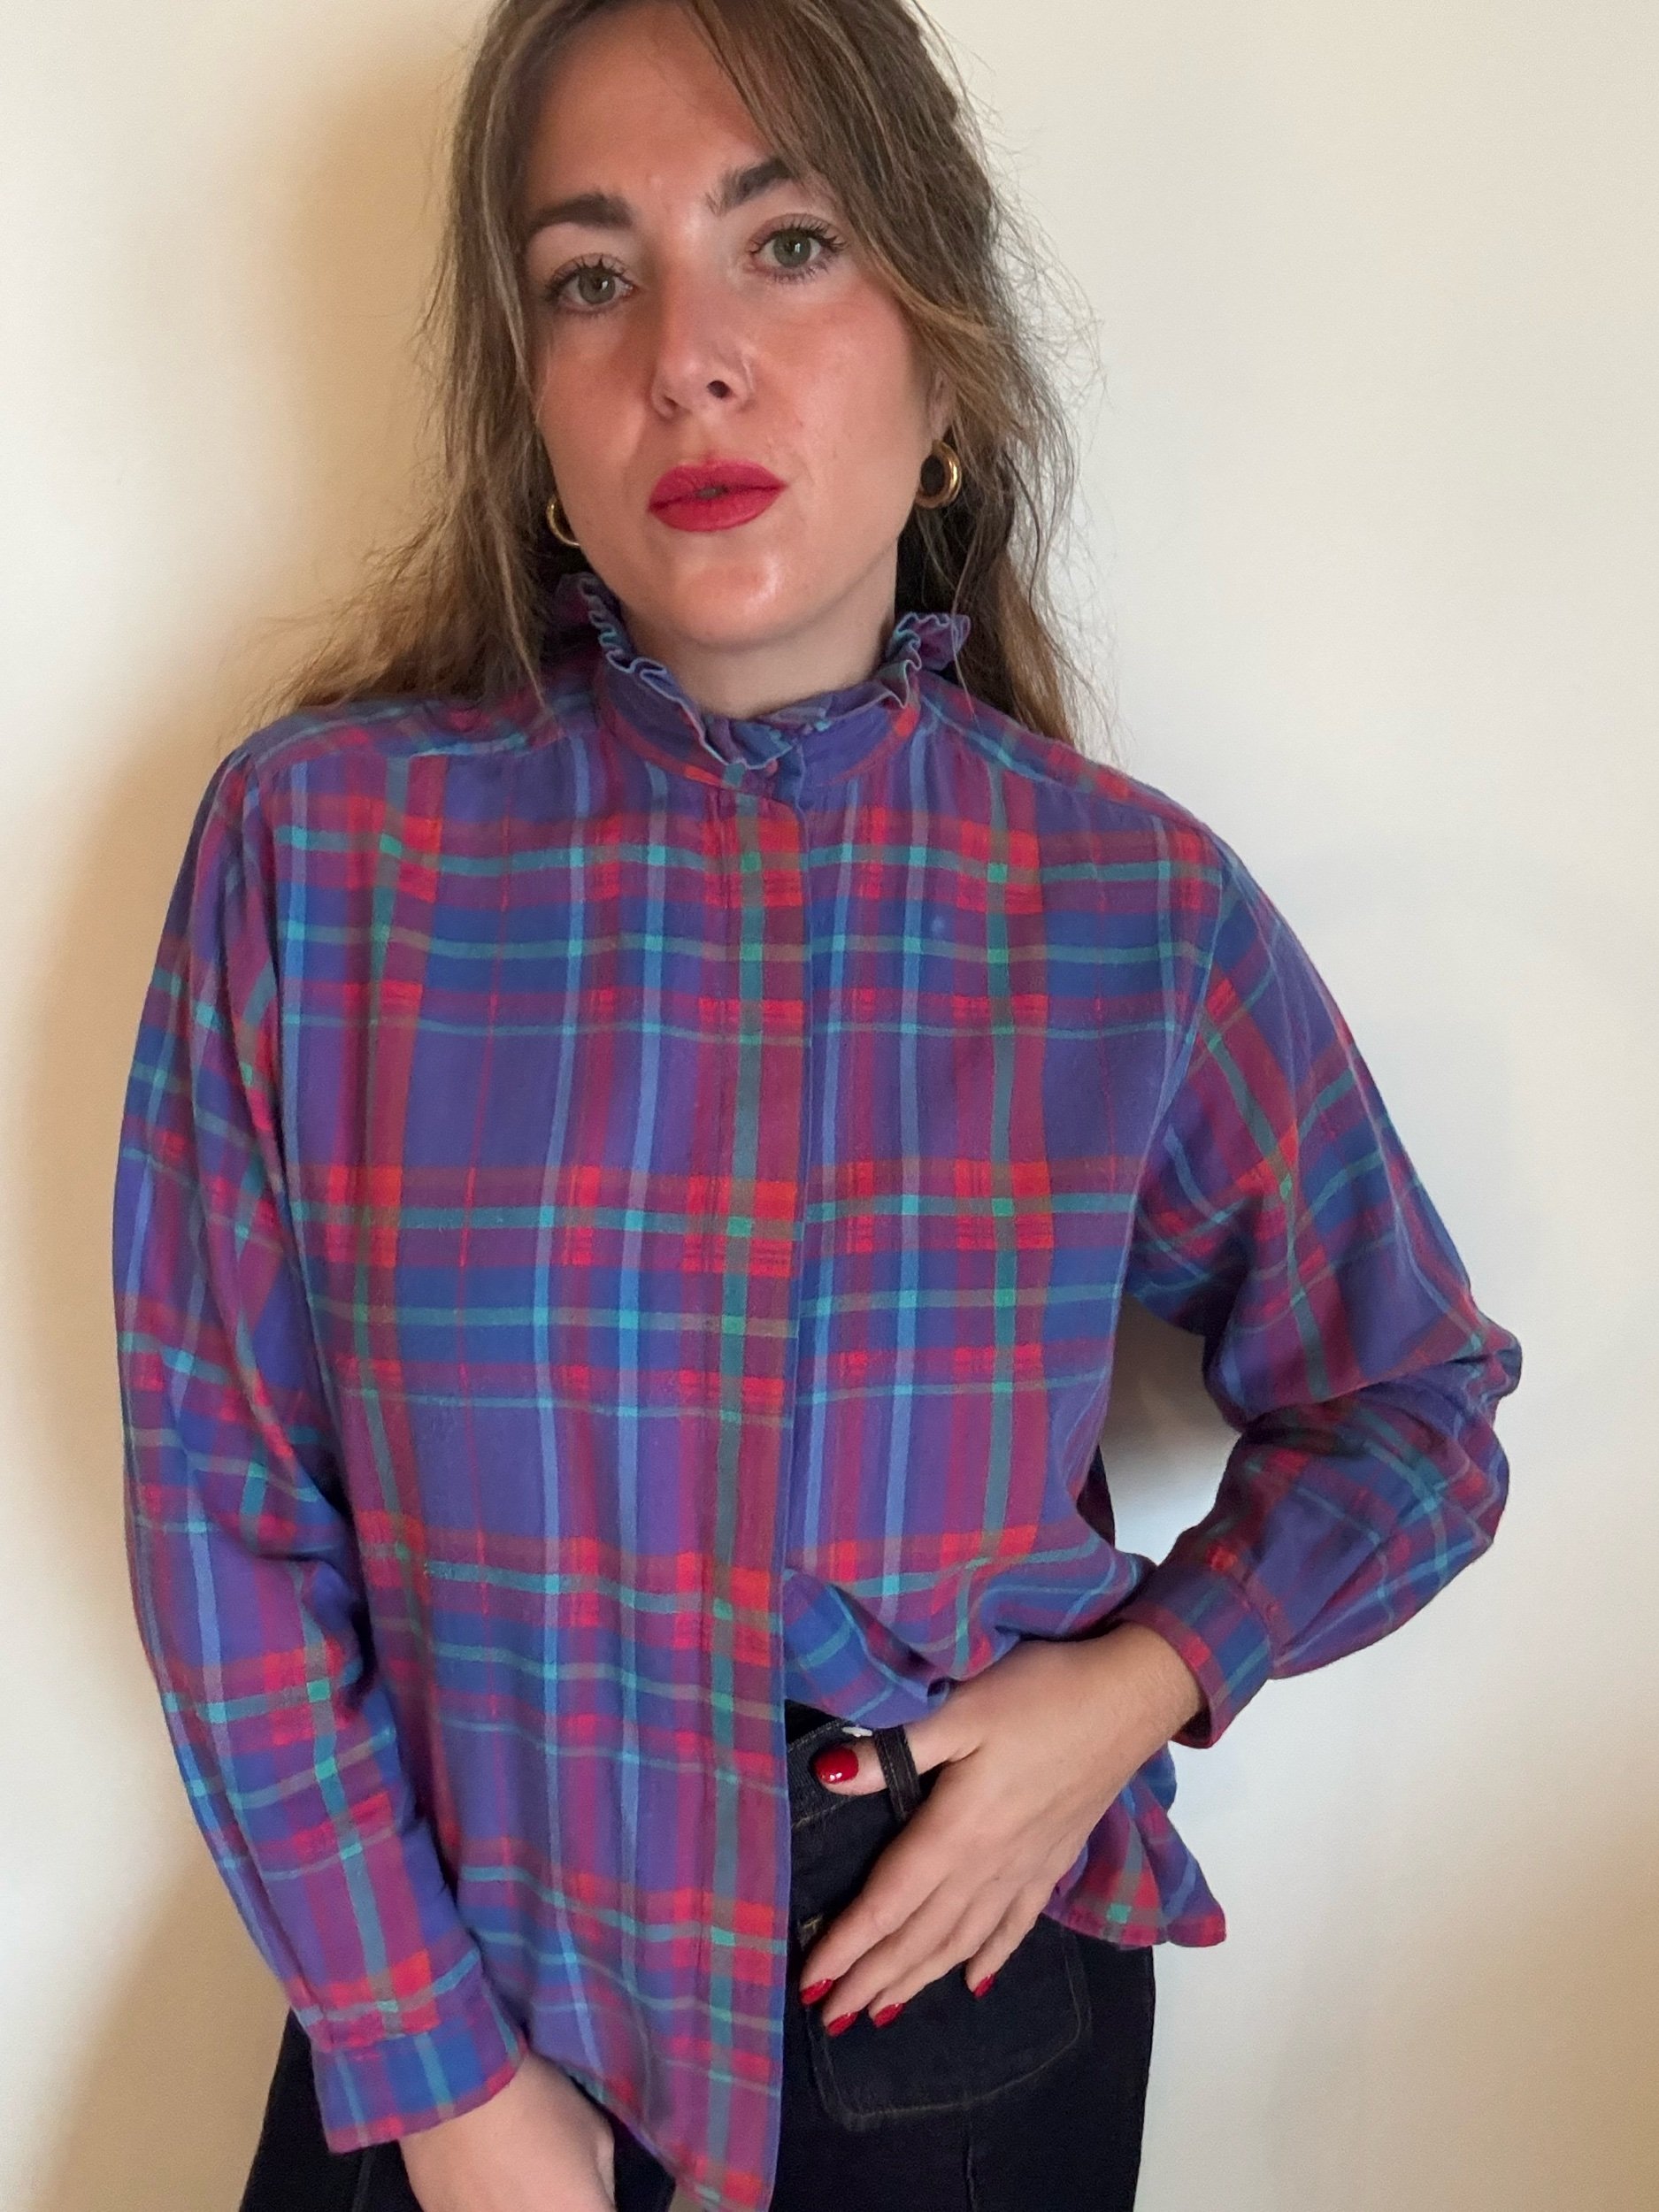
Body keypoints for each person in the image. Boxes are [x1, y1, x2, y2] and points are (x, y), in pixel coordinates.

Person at [111, 2, 1524, 2208]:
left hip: (949, 2024)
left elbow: (1414, 1405)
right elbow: (223, 1505)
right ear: (529, 406)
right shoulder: (320, 852)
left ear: (942, 366)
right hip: (454, 2011)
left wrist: (1139, 1681)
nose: (688, 356)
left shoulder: (1129, 914)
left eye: (787, 245)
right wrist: (443, 2080)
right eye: (592, 275)